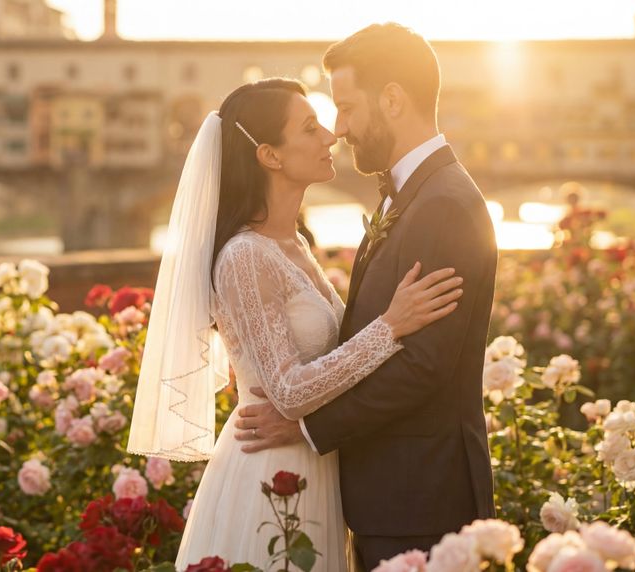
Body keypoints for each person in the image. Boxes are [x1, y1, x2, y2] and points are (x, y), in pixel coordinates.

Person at [127, 72, 464, 569]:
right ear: (270, 155)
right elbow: (285, 391)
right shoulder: (244, 255)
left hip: (315, 465)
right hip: (270, 472)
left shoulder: (296, 246)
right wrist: (389, 326)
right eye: (310, 128)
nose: (331, 136)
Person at [234, 23, 498, 568]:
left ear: (393, 99)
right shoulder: (412, 196)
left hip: (420, 498)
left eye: (347, 107)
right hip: (393, 496)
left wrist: (307, 427)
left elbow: (425, 364)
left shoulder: (442, 204)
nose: (340, 128)